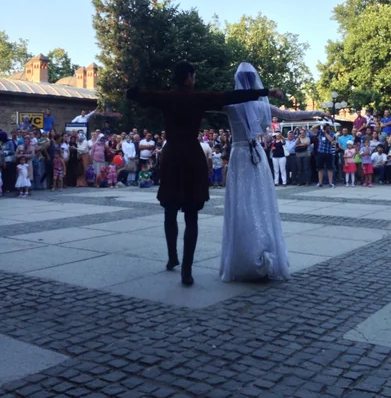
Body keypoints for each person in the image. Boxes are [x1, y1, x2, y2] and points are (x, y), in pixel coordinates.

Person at [126, 60, 283, 286]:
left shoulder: (166, 97)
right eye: (194, 76)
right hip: (192, 156)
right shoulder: (198, 98)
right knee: (192, 215)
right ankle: (187, 271)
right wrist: (266, 91)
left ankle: (172, 257)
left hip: (171, 157)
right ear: (189, 77)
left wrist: (133, 91)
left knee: (169, 210)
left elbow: (140, 95)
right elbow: (233, 96)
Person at [220, 62, 324, 283]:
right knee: (261, 202)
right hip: (256, 155)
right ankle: (264, 248)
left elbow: (207, 102)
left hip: (239, 155)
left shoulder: (229, 105)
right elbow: (291, 115)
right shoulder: (261, 107)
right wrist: (317, 112)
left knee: (240, 204)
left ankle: (242, 255)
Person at [312, 123, 336, 188]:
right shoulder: (320, 133)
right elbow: (312, 128)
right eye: (326, 127)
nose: (327, 129)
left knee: (329, 169)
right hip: (320, 153)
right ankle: (320, 183)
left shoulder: (331, 133)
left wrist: (326, 133)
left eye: (328, 128)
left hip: (328, 153)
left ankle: (330, 183)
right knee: (320, 169)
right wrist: (320, 124)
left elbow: (331, 140)